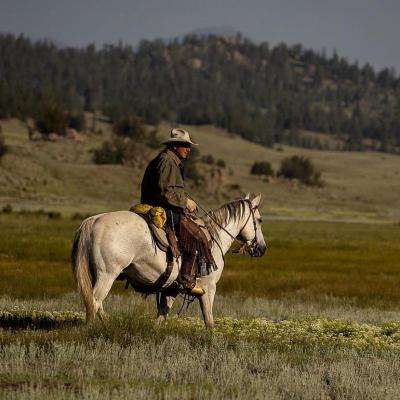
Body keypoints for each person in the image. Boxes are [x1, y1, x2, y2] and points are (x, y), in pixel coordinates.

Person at [140, 128, 205, 296]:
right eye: (185, 145)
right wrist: (185, 202)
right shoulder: (167, 161)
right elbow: (166, 192)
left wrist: (186, 199)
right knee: (196, 236)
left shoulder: (169, 160)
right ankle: (186, 280)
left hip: (164, 206)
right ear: (174, 145)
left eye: (188, 145)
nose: (188, 149)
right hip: (163, 209)